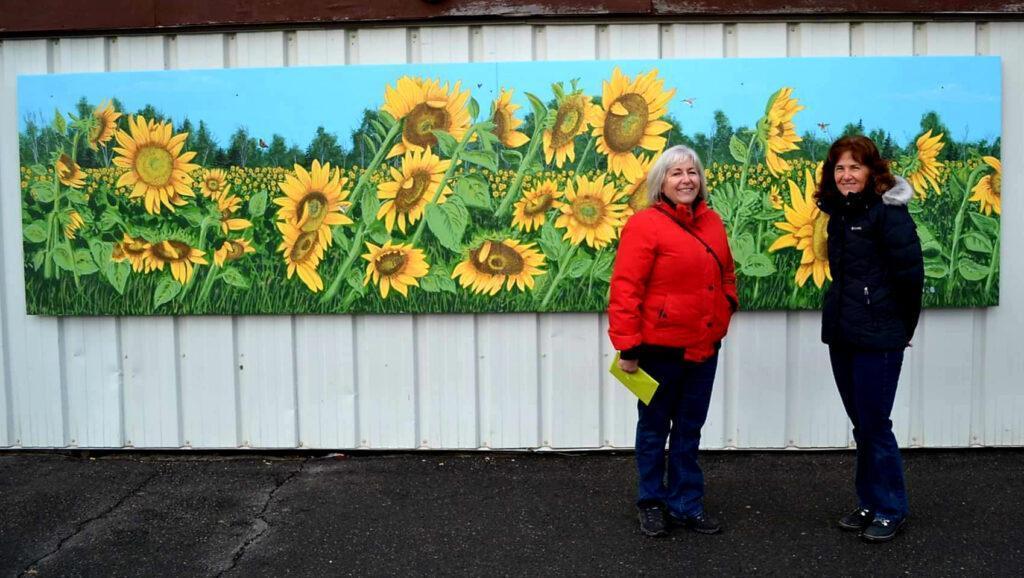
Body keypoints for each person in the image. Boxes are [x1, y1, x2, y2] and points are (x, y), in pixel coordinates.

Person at [608, 145, 738, 538]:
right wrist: (628, 346)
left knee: (689, 428)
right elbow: (626, 288)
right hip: (658, 350)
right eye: (676, 173)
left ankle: (686, 503)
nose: (686, 180)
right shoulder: (645, 225)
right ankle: (651, 502)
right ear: (660, 182)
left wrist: (726, 308)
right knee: (653, 428)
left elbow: (727, 274)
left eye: (692, 172)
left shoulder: (713, 222)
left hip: (703, 346)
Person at [816, 135, 924, 543]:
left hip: (879, 336)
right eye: (840, 168)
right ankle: (868, 502)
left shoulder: (888, 213)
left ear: (872, 172)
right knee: (862, 424)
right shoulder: (840, 214)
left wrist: (902, 330)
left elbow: (911, 276)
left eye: (855, 167)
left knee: (876, 424)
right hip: (844, 332)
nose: (846, 175)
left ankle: (891, 508)